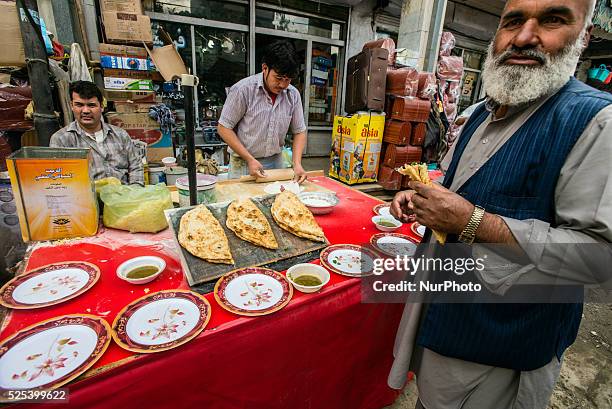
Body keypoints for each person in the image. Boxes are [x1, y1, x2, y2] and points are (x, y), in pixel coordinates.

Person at [387, 1, 612, 408]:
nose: (524, 38)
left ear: (584, 36)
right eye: (513, 22)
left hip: (501, 345)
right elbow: (462, 186)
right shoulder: (479, 113)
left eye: (552, 20)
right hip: (443, 317)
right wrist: (422, 194)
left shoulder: (596, 123)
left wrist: (473, 222)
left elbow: (598, 259)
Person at [217, 40, 308, 183]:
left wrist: (297, 164)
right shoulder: (243, 90)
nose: (283, 85)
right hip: (243, 162)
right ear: (265, 68)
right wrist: (249, 159)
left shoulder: (293, 95)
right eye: (278, 78)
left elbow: (299, 131)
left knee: (277, 202)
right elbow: (223, 128)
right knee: (241, 204)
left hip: (276, 162)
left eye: (288, 79)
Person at [50, 81, 144, 185]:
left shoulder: (120, 135)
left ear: (102, 106)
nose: (85, 110)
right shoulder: (61, 139)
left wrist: (135, 193)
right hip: (85, 199)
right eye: (79, 105)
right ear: (72, 106)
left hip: (124, 198)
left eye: (91, 105)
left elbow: (136, 166)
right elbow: (59, 180)